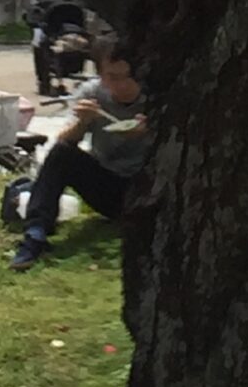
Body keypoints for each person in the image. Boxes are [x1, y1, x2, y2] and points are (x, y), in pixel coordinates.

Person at [9, 35, 150, 270]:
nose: (122, 85)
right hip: (109, 187)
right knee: (63, 152)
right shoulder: (92, 94)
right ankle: (35, 234)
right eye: (112, 77)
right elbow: (63, 140)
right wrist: (83, 123)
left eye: (129, 77)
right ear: (100, 75)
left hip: (151, 186)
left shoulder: (156, 95)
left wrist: (153, 132)